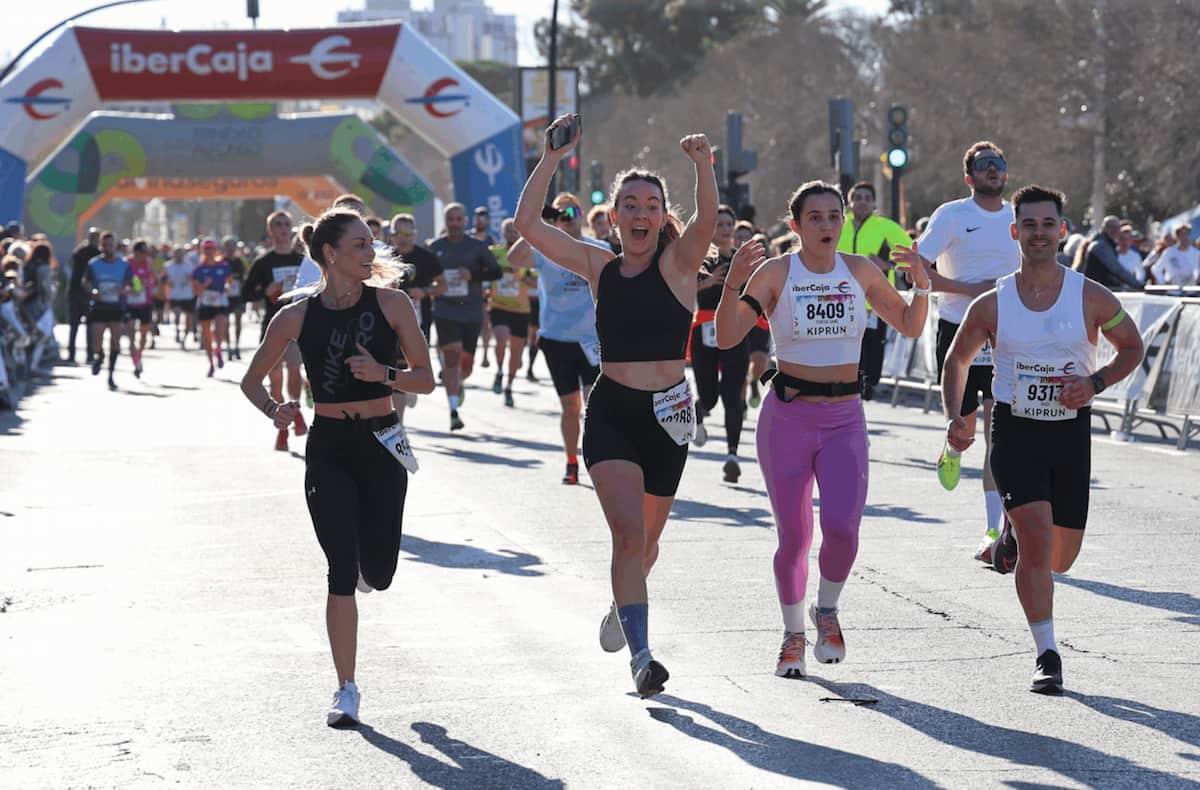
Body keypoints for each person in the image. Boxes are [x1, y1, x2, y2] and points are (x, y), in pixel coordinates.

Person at [514, 114, 716, 698]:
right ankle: (642, 658)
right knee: (628, 538)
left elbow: (706, 219)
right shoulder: (599, 266)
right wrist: (552, 158)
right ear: (614, 217)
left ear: (662, 215)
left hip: (668, 417)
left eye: (651, 205)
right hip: (613, 414)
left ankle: (621, 604)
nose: (640, 213)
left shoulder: (679, 265)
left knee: (647, 546)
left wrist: (703, 166)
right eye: (629, 205)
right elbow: (528, 225)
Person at [715, 181, 931, 679]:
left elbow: (910, 324)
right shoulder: (776, 272)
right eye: (815, 217)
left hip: (843, 420)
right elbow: (727, 336)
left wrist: (921, 285)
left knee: (843, 531)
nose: (827, 225)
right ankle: (792, 635)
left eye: (834, 216)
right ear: (795, 225)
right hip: (788, 419)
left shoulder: (859, 271)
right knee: (794, 537)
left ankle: (826, 609)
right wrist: (733, 284)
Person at [942, 185, 1143, 693]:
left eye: (1047, 224)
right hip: (1015, 431)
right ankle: (1046, 654)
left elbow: (1132, 347)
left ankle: (1011, 536)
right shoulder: (992, 303)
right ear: (1015, 232)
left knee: (1060, 558)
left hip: (1070, 433)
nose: (1038, 233)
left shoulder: (1091, 296)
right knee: (1037, 543)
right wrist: (956, 418)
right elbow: (957, 361)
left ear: (1062, 231)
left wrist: (1094, 383)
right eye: (1028, 225)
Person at [240, 209, 433, 728]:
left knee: (380, 574)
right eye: (360, 245)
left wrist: (383, 373)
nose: (372, 252)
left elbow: (426, 379)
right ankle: (346, 688)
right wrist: (275, 410)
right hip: (328, 446)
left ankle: (369, 569)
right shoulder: (296, 316)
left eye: (372, 244)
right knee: (340, 571)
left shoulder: (392, 303)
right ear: (330, 254)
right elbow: (251, 381)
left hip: (381, 440)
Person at [893, 141, 1020, 562]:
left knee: (998, 436)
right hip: (959, 329)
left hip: (1005, 333)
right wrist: (970, 289)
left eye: (998, 164)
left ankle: (993, 531)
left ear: (1006, 173)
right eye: (983, 166)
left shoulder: (1018, 216)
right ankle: (951, 446)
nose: (992, 170)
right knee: (964, 429)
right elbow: (918, 272)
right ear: (969, 177)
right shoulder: (952, 215)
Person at [509, 194, 610, 485]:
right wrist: (539, 225)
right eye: (561, 213)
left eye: (572, 211)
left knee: (594, 404)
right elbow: (514, 260)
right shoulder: (545, 249)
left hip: (592, 339)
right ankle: (571, 461)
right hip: (556, 338)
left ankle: (598, 460)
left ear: (582, 214)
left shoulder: (599, 248)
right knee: (570, 407)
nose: (567, 217)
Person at [689, 204, 751, 483]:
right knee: (710, 396)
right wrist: (709, 282)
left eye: (729, 224)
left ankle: (732, 455)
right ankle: (699, 410)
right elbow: (681, 288)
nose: (725, 230)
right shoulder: (699, 257)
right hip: (704, 330)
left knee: (733, 395)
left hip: (735, 331)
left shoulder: (742, 259)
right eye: (719, 225)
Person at [837, 181, 913, 399]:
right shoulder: (838, 224)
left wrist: (887, 265)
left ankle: (866, 391)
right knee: (845, 352)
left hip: (874, 304)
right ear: (849, 202)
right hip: (839, 301)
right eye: (857, 198)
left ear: (874, 203)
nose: (862, 202)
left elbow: (912, 256)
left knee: (871, 355)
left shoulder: (886, 227)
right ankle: (848, 392)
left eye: (867, 198)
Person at [429, 203, 502, 431]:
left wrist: (473, 274)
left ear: (465, 221)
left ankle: (458, 382)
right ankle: (453, 411)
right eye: (450, 219)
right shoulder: (435, 247)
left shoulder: (477, 247)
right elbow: (423, 273)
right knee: (451, 358)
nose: (455, 223)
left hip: (471, 312)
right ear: (445, 222)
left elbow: (496, 272)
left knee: (466, 367)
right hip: (444, 311)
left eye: (458, 219)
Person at [244, 211, 309, 451]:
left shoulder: (303, 260)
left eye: (287, 224)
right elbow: (245, 293)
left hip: (298, 325)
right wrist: (266, 291)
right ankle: (283, 424)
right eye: (278, 225)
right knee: (275, 379)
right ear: (270, 230)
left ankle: (296, 411)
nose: (283, 228)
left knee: (293, 368)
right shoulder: (263, 262)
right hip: (273, 325)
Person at [391, 212, 445, 426]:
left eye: (408, 233)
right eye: (399, 233)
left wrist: (425, 292)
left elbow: (443, 285)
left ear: (415, 234)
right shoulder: (386, 257)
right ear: (392, 235)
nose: (403, 238)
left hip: (419, 320)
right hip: (390, 321)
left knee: (412, 364)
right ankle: (399, 424)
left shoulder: (426, 257)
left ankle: (410, 387)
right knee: (395, 366)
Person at [488, 218, 536, 407]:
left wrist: (521, 276)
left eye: (515, 231)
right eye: (508, 230)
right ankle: (499, 371)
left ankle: (509, 386)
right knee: (501, 340)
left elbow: (535, 282)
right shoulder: (494, 253)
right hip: (498, 305)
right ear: (503, 233)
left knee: (516, 352)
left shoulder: (529, 256)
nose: (512, 234)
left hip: (521, 309)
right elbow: (485, 272)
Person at [82, 231, 132, 390]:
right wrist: (92, 292)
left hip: (117, 307)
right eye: (104, 245)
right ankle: (100, 355)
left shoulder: (124, 264)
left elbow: (135, 284)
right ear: (101, 246)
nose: (108, 248)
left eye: (110, 245)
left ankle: (111, 375)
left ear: (115, 246)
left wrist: (125, 290)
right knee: (96, 341)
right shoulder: (93, 263)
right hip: (99, 306)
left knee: (115, 342)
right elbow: (85, 282)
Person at [191, 239, 231, 377]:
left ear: (215, 250)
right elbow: (195, 291)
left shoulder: (223, 266)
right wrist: (204, 285)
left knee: (220, 329)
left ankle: (218, 349)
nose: (209, 252)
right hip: (205, 303)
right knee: (207, 335)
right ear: (203, 251)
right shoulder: (198, 269)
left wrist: (227, 287)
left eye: (211, 249)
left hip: (220, 302)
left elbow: (228, 282)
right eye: (206, 249)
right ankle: (211, 364)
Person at [125, 240, 158, 377]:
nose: (145, 254)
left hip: (145, 303)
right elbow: (123, 280)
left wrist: (149, 282)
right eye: (143, 252)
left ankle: (139, 355)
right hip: (130, 303)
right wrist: (134, 284)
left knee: (143, 334)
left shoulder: (148, 263)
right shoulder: (127, 263)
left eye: (146, 252)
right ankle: (136, 362)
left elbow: (155, 280)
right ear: (135, 252)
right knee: (131, 333)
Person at [67, 227, 100, 363]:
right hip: (82, 292)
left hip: (83, 292)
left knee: (81, 326)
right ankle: (84, 354)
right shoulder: (97, 255)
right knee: (83, 325)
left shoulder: (80, 251)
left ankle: (80, 354)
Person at [222, 236, 248, 360]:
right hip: (225, 296)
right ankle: (228, 347)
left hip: (238, 296)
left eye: (233, 245)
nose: (231, 248)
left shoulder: (241, 261)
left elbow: (246, 276)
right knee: (226, 322)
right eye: (228, 246)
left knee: (238, 321)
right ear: (224, 247)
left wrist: (243, 285)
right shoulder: (221, 262)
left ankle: (237, 346)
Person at [164, 247, 196, 348]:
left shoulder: (189, 266)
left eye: (181, 253)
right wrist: (167, 282)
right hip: (175, 295)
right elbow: (163, 278)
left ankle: (184, 338)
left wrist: (190, 279)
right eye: (177, 253)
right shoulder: (168, 266)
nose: (179, 256)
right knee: (177, 314)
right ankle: (177, 330)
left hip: (187, 295)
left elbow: (194, 278)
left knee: (189, 320)